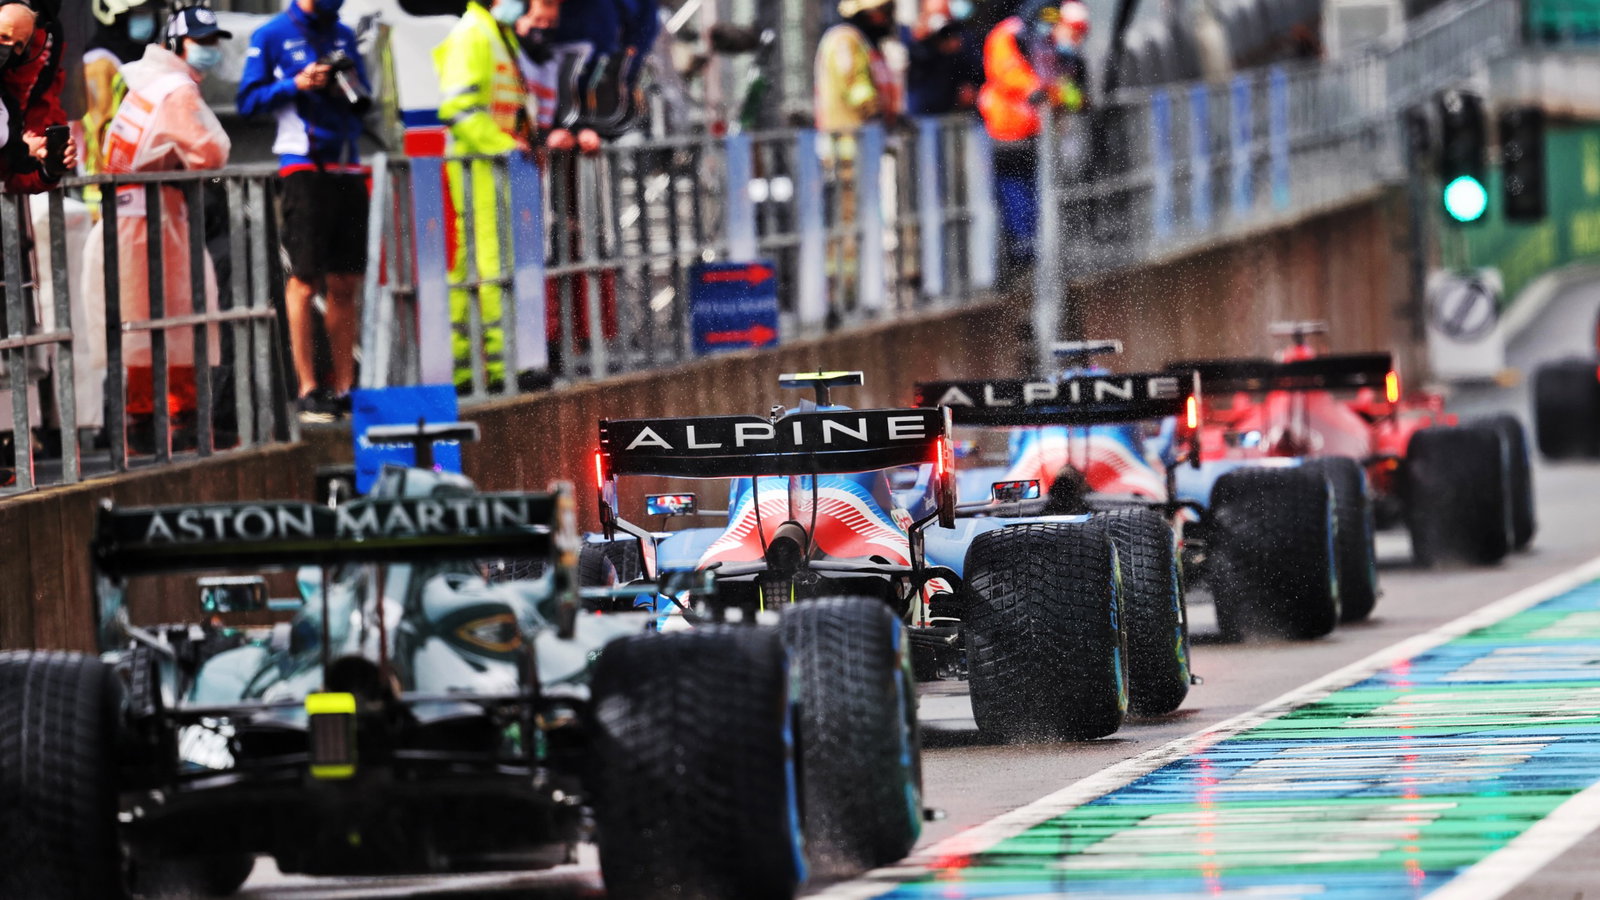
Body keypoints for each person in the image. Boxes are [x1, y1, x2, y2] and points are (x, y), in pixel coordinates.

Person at [83, 5, 229, 452]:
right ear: (175, 45)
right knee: (178, 321)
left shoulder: (143, 81)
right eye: (199, 43)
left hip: (126, 217)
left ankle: (142, 424)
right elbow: (212, 155)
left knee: (137, 328)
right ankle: (181, 422)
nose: (208, 51)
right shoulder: (177, 90)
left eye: (211, 43)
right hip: (153, 220)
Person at [237, 0, 370, 423]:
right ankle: (309, 388)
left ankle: (346, 386)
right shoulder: (271, 33)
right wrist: (297, 83)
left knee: (346, 279)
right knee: (305, 279)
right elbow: (247, 101)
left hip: (347, 163)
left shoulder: (343, 33)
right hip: (302, 165)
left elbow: (362, 96)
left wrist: (342, 85)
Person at [433, 0, 537, 391]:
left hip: (486, 163)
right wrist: (503, 145)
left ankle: (468, 369)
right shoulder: (474, 35)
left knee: (478, 266)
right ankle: (499, 368)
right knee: (491, 265)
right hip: (478, 164)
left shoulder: (493, 33)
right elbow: (457, 108)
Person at [978, 0, 1089, 267]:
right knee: (1015, 194)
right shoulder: (1008, 35)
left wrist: (1070, 98)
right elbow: (1008, 72)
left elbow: (1055, 79)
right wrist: (1035, 90)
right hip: (1006, 132)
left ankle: (1040, 250)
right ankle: (1023, 253)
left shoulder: (1043, 38)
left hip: (1036, 133)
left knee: (1037, 193)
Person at [0, 0, 77, 194]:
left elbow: (15, 175)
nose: (7, 48)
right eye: (3, 36)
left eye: (18, 45)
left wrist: (48, 164)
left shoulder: (8, 105)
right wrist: (19, 148)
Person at [814, 0, 900, 145]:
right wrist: (875, 113)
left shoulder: (864, 42)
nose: (886, 18)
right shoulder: (845, 39)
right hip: (847, 144)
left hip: (864, 142)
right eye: (882, 11)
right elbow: (854, 84)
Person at [903, 0, 982, 118]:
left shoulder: (959, 33)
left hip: (952, 111)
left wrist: (957, 50)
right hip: (921, 113)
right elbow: (913, 62)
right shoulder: (913, 34)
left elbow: (975, 68)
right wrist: (922, 40)